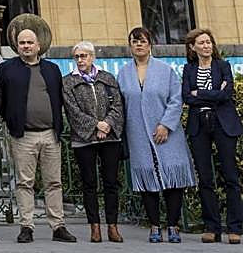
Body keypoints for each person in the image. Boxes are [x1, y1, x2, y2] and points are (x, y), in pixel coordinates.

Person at [0, 28, 77, 244]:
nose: (26, 46)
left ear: (38, 45)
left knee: (54, 182)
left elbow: (59, 97)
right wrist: (11, 120)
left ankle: (58, 226)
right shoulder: (6, 69)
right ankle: (26, 227)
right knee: (24, 183)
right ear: (16, 46)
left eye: (30, 42)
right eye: (22, 43)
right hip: (23, 136)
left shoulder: (52, 69)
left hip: (50, 134)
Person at [117, 26, 197, 244]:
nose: (139, 44)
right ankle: (154, 226)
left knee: (173, 179)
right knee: (146, 179)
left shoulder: (165, 70)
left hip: (167, 134)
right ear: (130, 46)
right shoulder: (123, 73)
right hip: (138, 134)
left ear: (150, 44)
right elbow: (120, 104)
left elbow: (176, 99)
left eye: (142, 40)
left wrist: (166, 125)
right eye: (135, 41)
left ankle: (173, 225)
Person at [181, 28, 242, 244]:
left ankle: (235, 227)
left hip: (223, 123)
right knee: (205, 178)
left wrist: (202, 94)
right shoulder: (189, 69)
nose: (207, 46)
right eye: (202, 43)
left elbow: (226, 95)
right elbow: (187, 97)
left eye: (209, 42)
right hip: (199, 125)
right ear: (193, 47)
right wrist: (213, 94)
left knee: (230, 176)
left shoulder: (223, 66)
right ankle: (211, 227)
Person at [61, 41, 125, 244]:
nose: (81, 60)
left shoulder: (107, 78)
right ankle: (94, 227)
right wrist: (95, 126)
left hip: (110, 137)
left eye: (84, 56)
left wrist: (107, 124)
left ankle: (113, 227)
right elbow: (72, 111)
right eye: (77, 57)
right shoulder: (68, 82)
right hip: (84, 139)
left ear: (92, 57)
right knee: (89, 184)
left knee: (111, 183)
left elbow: (118, 105)